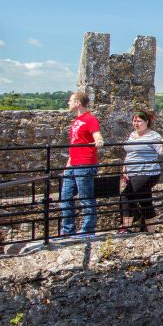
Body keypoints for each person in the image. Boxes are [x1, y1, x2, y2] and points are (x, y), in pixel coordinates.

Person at [59, 92, 104, 236]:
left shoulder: (90, 119)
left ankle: (87, 231)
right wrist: (68, 164)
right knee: (65, 198)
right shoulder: (75, 122)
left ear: (78, 103)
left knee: (86, 198)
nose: (68, 103)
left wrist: (99, 141)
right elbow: (74, 144)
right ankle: (68, 231)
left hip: (85, 163)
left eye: (70, 100)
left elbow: (97, 135)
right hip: (73, 164)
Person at [119, 110, 163, 234]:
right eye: (134, 120)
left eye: (139, 121)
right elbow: (130, 153)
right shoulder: (133, 135)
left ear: (147, 122)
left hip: (148, 172)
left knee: (127, 195)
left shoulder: (153, 135)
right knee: (145, 199)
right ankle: (151, 230)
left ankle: (126, 228)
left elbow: (161, 151)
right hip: (133, 172)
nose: (136, 123)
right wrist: (125, 168)